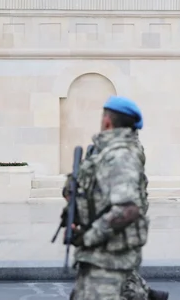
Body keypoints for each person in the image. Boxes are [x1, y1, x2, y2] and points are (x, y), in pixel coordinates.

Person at [69, 96, 149, 299]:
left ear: (107, 121)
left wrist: (88, 236)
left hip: (109, 262)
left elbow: (127, 209)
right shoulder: (105, 154)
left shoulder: (120, 155)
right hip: (97, 258)